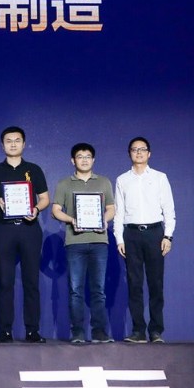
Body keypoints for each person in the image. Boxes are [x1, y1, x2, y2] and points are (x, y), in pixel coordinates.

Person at [0, 126, 50, 343]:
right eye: (8, 141)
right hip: (4, 230)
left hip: (29, 229)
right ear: (2, 145)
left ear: (24, 144)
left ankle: (32, 330)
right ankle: (5, 331)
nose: (13, 144)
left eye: (17, 140)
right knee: (5, 281)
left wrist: (36, 209)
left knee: (31, 281)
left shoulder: (34, 170)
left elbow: (45, 199)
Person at [50, 143, 116, 344]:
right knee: (76, 290)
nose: (84, 160)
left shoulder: (104, 182)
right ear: (73, 160)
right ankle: (77, 332)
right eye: (80, 156)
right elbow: (56, 210)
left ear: (93, 160)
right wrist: (72, 220)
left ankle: (99, 332)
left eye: (88, 156)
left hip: (99, 241)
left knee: (98, 289)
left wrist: (104, 220)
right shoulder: (64, 184)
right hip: (75, 243)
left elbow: (111, 208)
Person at [113, 137, 176, 343]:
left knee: (156, 283)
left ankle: (156, 331)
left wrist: (168, 236)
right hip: (131, 234)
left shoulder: (160, 177)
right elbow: (119, 212)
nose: (139, 153)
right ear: (129, 153)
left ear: (149, 153)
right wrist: (119, 238)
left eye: (142, 149)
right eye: (134, 149)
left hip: (155, 233)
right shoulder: (122, 180)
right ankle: (138, 331)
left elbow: (169, 210)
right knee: (134, 283)